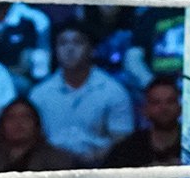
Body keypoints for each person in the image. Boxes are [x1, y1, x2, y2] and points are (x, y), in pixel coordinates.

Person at [28, 25, 135, 164]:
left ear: (92, 50)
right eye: (63, 43)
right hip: (50, 166)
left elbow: (122, 138)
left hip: (100, 165)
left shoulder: (113, 91)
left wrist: (96, 157)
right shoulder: (39, 94)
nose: (69, 49)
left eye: (77, 43)